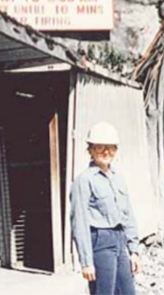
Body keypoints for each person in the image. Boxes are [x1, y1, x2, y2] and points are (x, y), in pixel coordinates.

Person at [71, 121, 141, 295]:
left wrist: (134, 250)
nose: (106, 152)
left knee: (127, 292)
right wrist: (86, 262)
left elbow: (128, 215)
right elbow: (79, 223)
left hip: (119, 240)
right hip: (100, 242)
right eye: (100, 147)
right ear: (90, 150)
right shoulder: (84, 180)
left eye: (111, 148)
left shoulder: (118, 178)